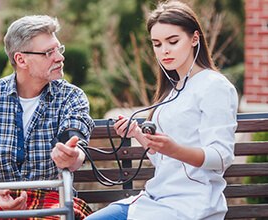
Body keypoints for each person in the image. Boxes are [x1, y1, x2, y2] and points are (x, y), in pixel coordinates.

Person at [85, 1, 238, 219]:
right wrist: (138, 134)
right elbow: (163, 161)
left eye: (173, 41)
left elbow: (221, 157)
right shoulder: (171, 91)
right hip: (155, 198)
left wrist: (175, 149)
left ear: (195, 39)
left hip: (192, 205)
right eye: (156, 44)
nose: (164, 50)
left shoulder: (215, 86)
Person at [0, 15, 95, 219]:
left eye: (58, 49)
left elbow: (74, 142)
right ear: (21, 59)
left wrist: (72, 155)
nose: (59, 57)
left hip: (51, 198)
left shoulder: (71, 97)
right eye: (49, 52)